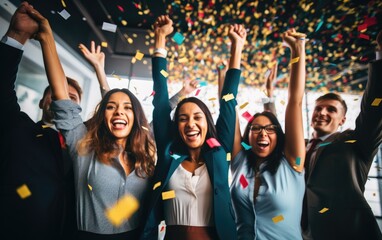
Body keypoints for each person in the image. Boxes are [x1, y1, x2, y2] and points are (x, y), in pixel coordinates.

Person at [25, 5, 157, 240]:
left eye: (128, 108)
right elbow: (62, 95)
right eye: (110, 107)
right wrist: (47, 38)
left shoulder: (144, 154)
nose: (119, 112)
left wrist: (100, 70)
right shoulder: (83, 145)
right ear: (103, 115)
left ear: (136, 118)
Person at [141, 15, 246, 240]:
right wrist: (160, 40)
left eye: (198, 117)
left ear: (207, 123)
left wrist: (236, 48)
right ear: (176, 126)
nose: (190, 123)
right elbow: (160, 100)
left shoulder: (220, 152)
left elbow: (229, 100)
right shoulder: (168, 150)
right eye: (183, 118)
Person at [0, 2, 79, 239]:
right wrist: (17, 36)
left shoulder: (88, 148)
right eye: (54, 95)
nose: (61, 101)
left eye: (71, 98)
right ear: (42, 103)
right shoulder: (18, 128)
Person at [302, 30, 382, 240]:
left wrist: (380, 58)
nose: (322, 113)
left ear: (343, 120)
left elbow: (373, 113)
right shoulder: (299, 146)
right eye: (318, 108)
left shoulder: (354, 143)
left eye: (331, 110)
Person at [229, 28, 307, 239]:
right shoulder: (239, 163)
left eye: (270, 129)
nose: (262, 133)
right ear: (248, 137)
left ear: (278, 136)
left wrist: (297, 49)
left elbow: (295, 102)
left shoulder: (293, 162)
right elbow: (228, 104)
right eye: (255, 128)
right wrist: (236, 48)